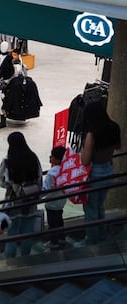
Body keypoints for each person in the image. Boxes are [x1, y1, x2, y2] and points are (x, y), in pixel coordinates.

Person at [74, 102, 121, 247]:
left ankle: (91, 240)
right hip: (108, 170)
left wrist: (82, 149)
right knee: (100, 205)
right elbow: (118, 147)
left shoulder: (91, 134)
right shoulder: (114, 127)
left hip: (94, 174)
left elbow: (85, 160)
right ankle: (101, 234)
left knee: (90, 208)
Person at [0, 132, 42, 258]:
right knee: (28, 231)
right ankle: (25, 257)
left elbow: (0, 182)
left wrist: (12, 186)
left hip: (13, 202)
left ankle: (10, 260)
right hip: (31, 201)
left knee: (12, 233)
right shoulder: (33, 158)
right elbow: (39, 179)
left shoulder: (7, 161)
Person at [43, 146, 67, 249]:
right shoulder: (66, 170)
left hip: (51, 202)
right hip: (62, 201)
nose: (50, 158)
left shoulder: (51, 173)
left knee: (52, 223)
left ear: (56, 159)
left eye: (52, 156)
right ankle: (62, 238)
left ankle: (54, 241)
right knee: (59, 219)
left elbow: (46, 188)